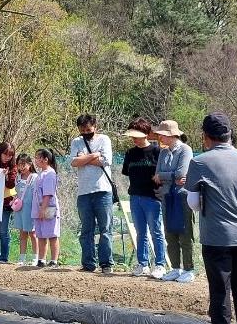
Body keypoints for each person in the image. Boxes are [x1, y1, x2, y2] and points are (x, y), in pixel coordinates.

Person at [185, 114, 237, 324]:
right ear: (229, 134)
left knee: (220, 290)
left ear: (205, 136)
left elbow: (194, 203)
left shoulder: (200, 162)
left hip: (217, 234)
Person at [122, 118, 166, 279]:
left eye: (137, 135)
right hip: (135, 196)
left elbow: (163, 173)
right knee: (140, 232)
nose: (133, 139)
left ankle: (160, 264)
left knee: (156, 231)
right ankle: (143, 263)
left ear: (146, 134)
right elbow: (127, 172)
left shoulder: (157, 152)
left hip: (152, 197)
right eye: (132, 136)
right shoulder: (130, 153)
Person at [70, 114, 114, 273]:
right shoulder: (76, 142)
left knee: (105, 229)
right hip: (83, 192)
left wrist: (85, 158)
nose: (85, 132)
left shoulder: (105, 139)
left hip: (103, 191)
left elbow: (106, 160)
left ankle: (106, 263)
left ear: (95, 127)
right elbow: (74, 162)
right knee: (86, 230)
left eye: (88, 129)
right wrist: (95, 155)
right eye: (82, 130)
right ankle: (88, 263)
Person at [153, 120, 196, 283]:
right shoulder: (163, 153)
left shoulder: (185, 150)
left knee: (185, 233)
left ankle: (189, 269)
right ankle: (176, 267)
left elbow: (181, 173)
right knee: (170, 233)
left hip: (182, 196)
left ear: (171, 135)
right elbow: (158, 175)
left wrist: (166, 176)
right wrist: (170, 177)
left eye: (161, 134)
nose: (159, 137)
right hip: (167, 196)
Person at [32, 149, 61, 267]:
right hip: (39, 208)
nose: (36, 160)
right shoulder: (41, 173)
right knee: (41, 234)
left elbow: (48, 194)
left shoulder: (50, 174)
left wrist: (43, 209)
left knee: (52, 234)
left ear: (45, 160)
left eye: (38, 158)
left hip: (48, 208)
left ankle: (54, 260)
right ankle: (41, 259)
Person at [13, 154, 38, 266]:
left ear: (30, 164)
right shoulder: (17, 177)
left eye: (23, 164)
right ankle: (21, 258)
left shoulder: (35, 177)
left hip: (31, 209)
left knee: (33, 234)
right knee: (22, 234)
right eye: (19, 165)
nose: (21, 167)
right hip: (20, 209)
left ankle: (35, 258)